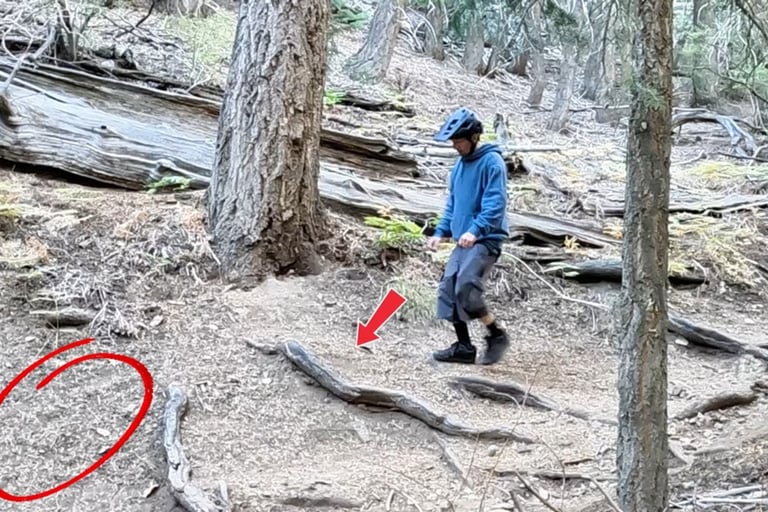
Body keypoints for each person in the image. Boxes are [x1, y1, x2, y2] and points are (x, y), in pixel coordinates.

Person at [426, 107, 510, 365]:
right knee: (448, 288)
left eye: (458, 141)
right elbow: (453, 204)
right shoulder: (460, 166)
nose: (454, 146)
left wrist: (475, 230)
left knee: (466, 288)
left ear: (473, 138)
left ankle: (496, 334)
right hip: (464, 239)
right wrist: (441, 231)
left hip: (485, 239)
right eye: (453, 141)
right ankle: (463, 346)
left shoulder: (492, 162)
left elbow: (496, 204)